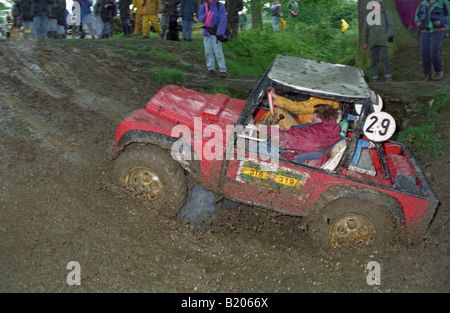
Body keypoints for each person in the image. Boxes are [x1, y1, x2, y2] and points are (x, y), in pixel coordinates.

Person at [260, 103, 341, 165]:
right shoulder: (331, 131)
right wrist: (296, 148)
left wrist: (262, 128)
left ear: (316, 115)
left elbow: (284, 138)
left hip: (298, 164)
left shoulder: (314, 133)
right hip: (306, 156)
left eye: (312, 114)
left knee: (263, 146)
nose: (311, 117)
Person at [257, 86, 339, 130]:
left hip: (305, 131)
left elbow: (299, 108)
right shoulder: (326, 97)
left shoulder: (324, 100)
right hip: (304, 127)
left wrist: (276, 97)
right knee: (279, 113)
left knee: (277, 112)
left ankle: (253, 129)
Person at [360, 0, 396, 82]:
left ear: (381, 5)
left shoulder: (386, 15)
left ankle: (388, 76)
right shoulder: (369, 16)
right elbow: (365, 30)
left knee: (385, 58)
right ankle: (374, 77)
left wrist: (385, 36)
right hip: (372, 42)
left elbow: (392, 28)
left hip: (383, 41)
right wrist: (363, 42)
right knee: (374, 60)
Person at [414, 0, 450, 81]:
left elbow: (449, 15)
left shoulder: (443, 2)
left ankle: (439, 70)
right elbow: (417, 15)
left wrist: (441, 21)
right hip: (424, 31)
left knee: (434, 52)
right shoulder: (423, 3)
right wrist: (418, 23)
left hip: (438, 30)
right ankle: (427, 74)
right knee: (424, 53)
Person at [198, 0, 228, 78]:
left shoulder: (220, 5)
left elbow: (223, 19)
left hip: (216, 33)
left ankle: (222, 70)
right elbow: (199, 17)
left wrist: (219, 32)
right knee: (208, 52)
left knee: (218, 52)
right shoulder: (204, 6)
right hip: (207, 33)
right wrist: (204, 16)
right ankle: (211, 69)